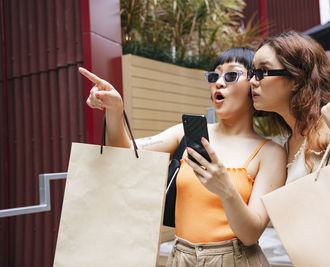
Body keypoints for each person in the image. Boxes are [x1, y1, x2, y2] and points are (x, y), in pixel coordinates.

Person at [79, 47, 287, 267]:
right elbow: (124, 153)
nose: (219, 82)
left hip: (236, 260)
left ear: (253, 86)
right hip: (181, 258)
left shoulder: (270, 153)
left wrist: (225, 188)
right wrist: (114, 109)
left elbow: (250, 235)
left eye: (231, 75)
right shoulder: (184, 134)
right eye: (214, 75)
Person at [248, 31, 330, 184]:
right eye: (252, 72)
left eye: (262, 72)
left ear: (296, 79)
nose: (252, 81)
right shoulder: (287, 142)